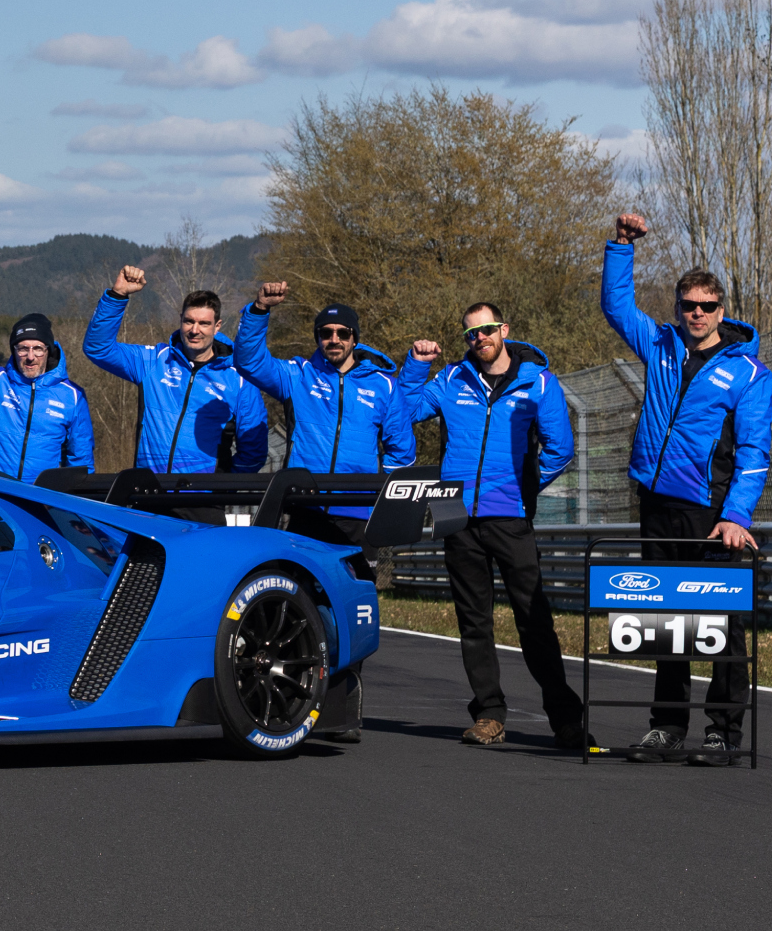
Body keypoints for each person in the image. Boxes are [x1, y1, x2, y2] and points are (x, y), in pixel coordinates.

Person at [603, 213, 772, 767]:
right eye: (687, 306)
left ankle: (723, 732)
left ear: (723, 311)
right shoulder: (659, 345)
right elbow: (615, 305)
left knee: (720, 626)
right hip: (656, 502)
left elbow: (754, 453)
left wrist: (737, 517)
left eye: (707, 306)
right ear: (677, 308)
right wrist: (621, 247)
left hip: (712, 513)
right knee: (664, 619)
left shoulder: (750, 373)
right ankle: (667, 726)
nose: (696, 314)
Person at [399, 303, 588, 751]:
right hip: (457, 517)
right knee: (474, 623)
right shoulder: (449, 380)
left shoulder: (538, 382)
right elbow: (402, 413)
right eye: (470, 334)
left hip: (511, 518)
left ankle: (566, 720)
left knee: (535, 621)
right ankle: (489, 714)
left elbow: (560, 449)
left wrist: (523, 489)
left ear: (503, 329)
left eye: (485, 330)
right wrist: (415, 365)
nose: (478, 339)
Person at [235, 280, 416, 743]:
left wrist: (381, 499)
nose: (333, 340)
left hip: (357, 518)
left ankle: (341, 708)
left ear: (356, 338)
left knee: (351, 613)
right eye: (325, 333)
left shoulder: (383, 385)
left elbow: (402, 452)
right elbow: (249, 361)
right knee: (302, 608)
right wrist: (258, 311)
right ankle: (298, 701)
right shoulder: (297, 375)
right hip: (305, 512)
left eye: (341, 333)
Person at [83, 267, 268, 475]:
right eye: (189, 321)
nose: (194, 330)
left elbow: (254, 451)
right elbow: (98, 348)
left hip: (202, 502)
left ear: (217, 326)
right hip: (149, 492)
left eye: (204, 323)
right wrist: (118, 295)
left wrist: (221, 488)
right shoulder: (155, 361)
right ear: (180, 320)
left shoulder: (240, 378)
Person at [0, 298, 94, 479]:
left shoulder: (73, 396)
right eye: (22, 348)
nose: (30, 357)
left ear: (48, 350)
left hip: (41, 501)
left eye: (38, 348)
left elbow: (81, 462)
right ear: (14, 350)